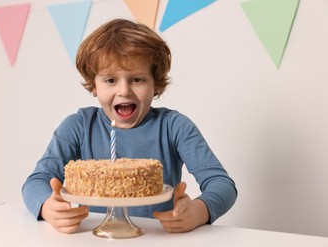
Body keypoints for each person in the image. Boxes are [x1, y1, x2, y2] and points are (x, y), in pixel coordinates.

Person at [22, 18, 237, 234]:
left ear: (155, 84)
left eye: (137, 79)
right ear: (94, 84)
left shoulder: (175, 127)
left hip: (159, 242)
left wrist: (199, 211)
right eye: (110, 80)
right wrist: (48, 207)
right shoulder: (78, 127)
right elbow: (36, 181)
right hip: (94, 243)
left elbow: (221, 184)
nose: (124, 91)